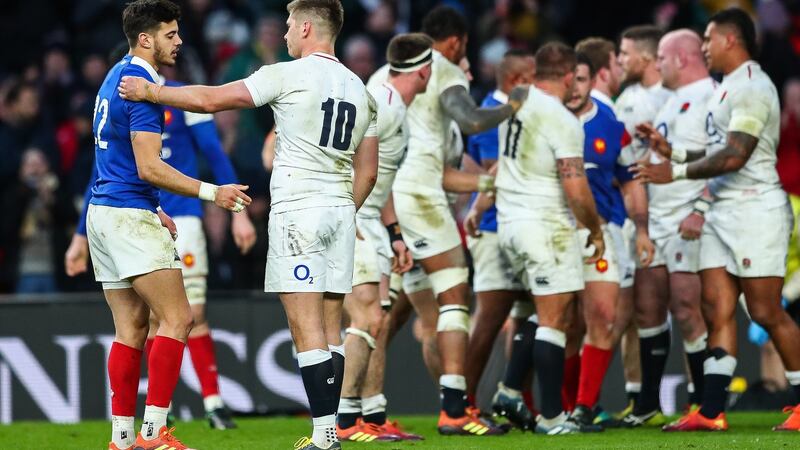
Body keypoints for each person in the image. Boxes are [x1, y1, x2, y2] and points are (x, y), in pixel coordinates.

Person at [119, 1, 379, 448]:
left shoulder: (288, 74)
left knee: (306, 326)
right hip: (341, 210)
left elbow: (211, 99)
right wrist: (345, 210)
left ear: (304, 27)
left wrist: (153, 93)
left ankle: (324, 437)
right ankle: (329, 429)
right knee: (332, 325)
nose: (282, 36)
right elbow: (369, 171)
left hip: (300, 209)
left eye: (286, 27)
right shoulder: (361, 89)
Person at [86, 1, 251, 449]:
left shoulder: (113, 75)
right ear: (146, 38)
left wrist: (151, 205)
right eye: (171, 34)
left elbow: (112, 158)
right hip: (128, 214)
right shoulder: (142, 87)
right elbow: (148, 166)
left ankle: (121, 439)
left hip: (105, 211)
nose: (179, 42)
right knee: (179, 318)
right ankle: (154, 434)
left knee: (131, 328)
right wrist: (211, 192)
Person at [633, 8, 800, 432]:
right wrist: (675, 153)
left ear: (731, 40)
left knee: (764, 311)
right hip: (723, 209)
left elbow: (736, 154)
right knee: (715, 307)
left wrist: (678, 172)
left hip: (754, 209)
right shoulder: (726, 90)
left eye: (708, 38)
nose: (704, 47)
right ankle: (710, 411)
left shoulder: (753, 87)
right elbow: (717, 150)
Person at [366, 5, 527, 435]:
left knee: (383, 315)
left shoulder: (380, 76)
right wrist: (513, 104)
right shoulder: (444, 68)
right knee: (455, 297)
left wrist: (489, 186)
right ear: (455, 44)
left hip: (383, 201)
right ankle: (456, 409)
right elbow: (472, 119)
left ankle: (366, 414)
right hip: (419, 196)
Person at [469, 42, 605, 435]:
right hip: (543, 226)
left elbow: (499, 167)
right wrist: (594, 229)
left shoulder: (515, 106)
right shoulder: (562, 119)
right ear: (567, 76)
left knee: (534, 312)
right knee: (555, 318)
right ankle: (552, 416)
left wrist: (478, 208)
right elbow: (577, 189)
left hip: (509, 225)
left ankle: (511, 390)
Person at [335, 33, 428, 443]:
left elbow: (381, 178)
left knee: (381, 320)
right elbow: (344, 160)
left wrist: (395, 235)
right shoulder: (382, 104)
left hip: (372, 222)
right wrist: (347, 214)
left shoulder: (395, 106)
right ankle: (345, 418)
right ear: (425, 71)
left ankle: (372, 415)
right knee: (367, 318)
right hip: (354, 220)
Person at [620, 29, 714, 426]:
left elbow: (728, 159)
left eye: (662, 56)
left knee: (688, 308)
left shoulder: (715, 96)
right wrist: (661, 147)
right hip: (656, 219)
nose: (657, 64)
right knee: (647, 307)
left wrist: (701, 209)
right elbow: (683, 155)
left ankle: (702, 402)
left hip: (686, 218)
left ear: (681, 58)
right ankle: (648, 404)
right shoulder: (671, 102)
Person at [561, 53, 654, 430]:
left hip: (603, 232)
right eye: (571, 80)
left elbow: (631, 180)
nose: (575, 88)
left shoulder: (612, 126)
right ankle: (558, 407)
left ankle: (584, 407)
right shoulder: (546, 121)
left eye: (582, 80)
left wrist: (642, 229)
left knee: (604, 316)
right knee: (563, 324)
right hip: (554, 231)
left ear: (591, 81)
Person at [462, 50, 535, 414]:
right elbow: (495, 171)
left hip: (522, 225)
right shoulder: (492, 114)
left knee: (527, 314)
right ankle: (464, 402)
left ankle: (517, 397)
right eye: (533, 77)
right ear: (516, 80)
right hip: (493, 227)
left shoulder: (518, 112)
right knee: (490, 317)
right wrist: (478, 210)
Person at [615, 25, 674, 426]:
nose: (620, 60)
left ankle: (702, 403)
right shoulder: (626, 101)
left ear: (648, 58)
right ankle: (640, 398)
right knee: (638, 309)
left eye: (625, 53)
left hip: (677, 212)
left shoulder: (676, 99)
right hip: (638, 216)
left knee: (691, 308)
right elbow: (623, 167)